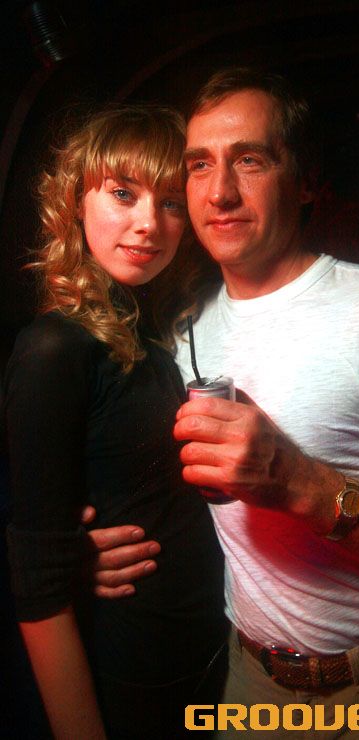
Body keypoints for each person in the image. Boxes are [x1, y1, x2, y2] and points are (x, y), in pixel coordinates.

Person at [87, 69, 359, 738]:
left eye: (250, 160)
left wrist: (299, 481)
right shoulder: (182, 325)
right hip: (248, 682)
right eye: (199, 165)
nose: (220, 191)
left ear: (304, 181)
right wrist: (86, 547)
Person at [4, 104, 227, 739]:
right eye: (123, 194)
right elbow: (37, 584)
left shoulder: (161, 330)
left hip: (215, 657)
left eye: (171, 202)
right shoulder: (54, 348)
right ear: (76, 202)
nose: (149, 223)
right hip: (137, 677)